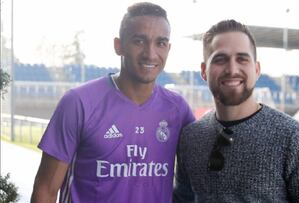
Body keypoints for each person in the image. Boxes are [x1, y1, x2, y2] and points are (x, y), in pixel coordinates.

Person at [31, 2, 195, 203]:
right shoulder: (79, 103)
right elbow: (45, 190)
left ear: (168, 49)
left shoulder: (178, 109)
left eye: (160, 43)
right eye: (139, 41)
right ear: (119, 46)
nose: (150, 53)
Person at [173, 19, 299, 202]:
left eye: (242, 59)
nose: (232, 69)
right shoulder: (190, 137)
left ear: (257, 69)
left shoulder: (297, 140)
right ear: (204, 71)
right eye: (220, 59)